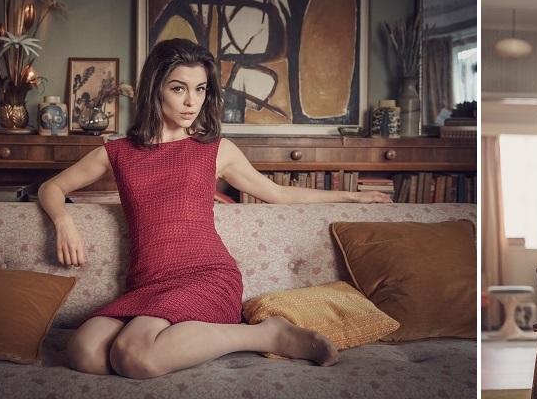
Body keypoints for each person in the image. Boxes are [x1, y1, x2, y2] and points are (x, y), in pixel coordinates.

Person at [38, 38, 392, 379]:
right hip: (147, 284)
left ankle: (267, 334)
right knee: (84, 352)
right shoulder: (117, 152)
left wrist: (352, 196)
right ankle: (185, 335)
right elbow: (51, 187)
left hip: (205, 276)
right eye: (178, 88)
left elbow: (278, 193)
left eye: (201, 89)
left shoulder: (215, 149)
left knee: (135, 355)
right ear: (154, 88)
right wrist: (63, 221)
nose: (191, 101)